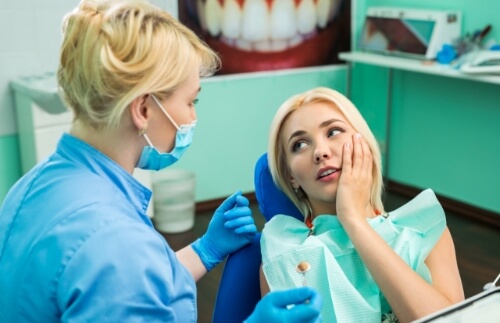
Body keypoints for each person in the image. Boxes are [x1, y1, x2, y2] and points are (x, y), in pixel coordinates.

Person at [0, 1, 322, 322]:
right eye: (190, 101)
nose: (193, 116)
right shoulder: (115, 243)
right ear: (142, 110)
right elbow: (123, 272)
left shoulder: (31, 187)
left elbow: (131, 287)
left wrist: (206, 249)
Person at [259, 87, 465, 322]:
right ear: (291, 177)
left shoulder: (424, 230)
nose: (321, 152)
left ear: (364, 144)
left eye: (334, 131)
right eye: (300, 145)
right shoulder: (282, 256)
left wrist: (353, 221)